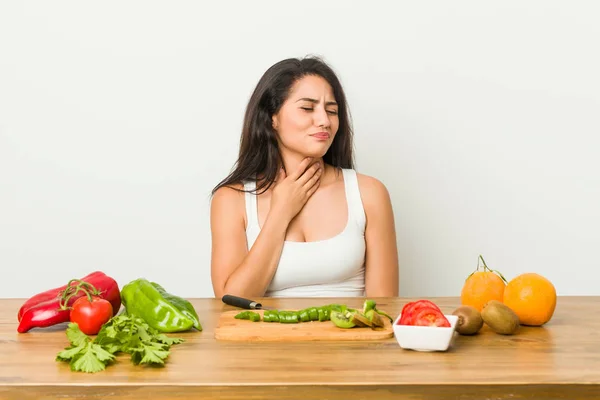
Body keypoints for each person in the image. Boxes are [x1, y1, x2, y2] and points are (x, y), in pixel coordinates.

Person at [210, 56, 399, 299]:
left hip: (353, 337)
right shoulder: (231, 199)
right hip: (264, 337)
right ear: (272, 118)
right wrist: (281, 212)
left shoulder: (370, 193)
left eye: (332, 111)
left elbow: (385, 308)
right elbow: (230, 303)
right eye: (307, 108)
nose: (324, 121)